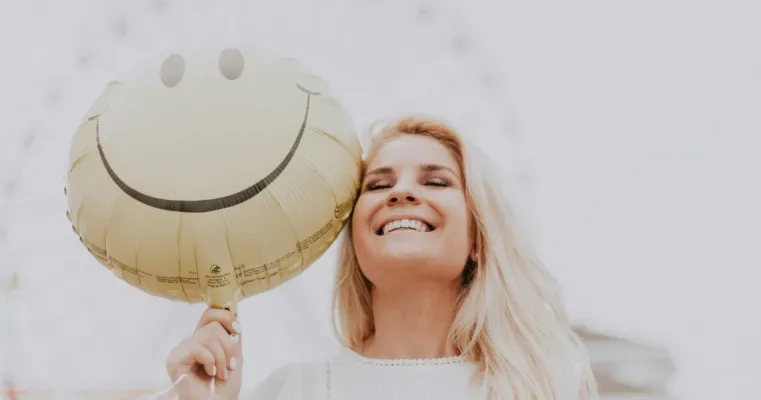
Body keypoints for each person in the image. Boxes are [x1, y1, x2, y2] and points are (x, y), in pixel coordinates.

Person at [164, 115, 599, 399]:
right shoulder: (293, 390)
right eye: (377, 185)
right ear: (354, 239)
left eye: (436, 182)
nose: (401, 192)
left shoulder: (547, 388)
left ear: (478, 239)